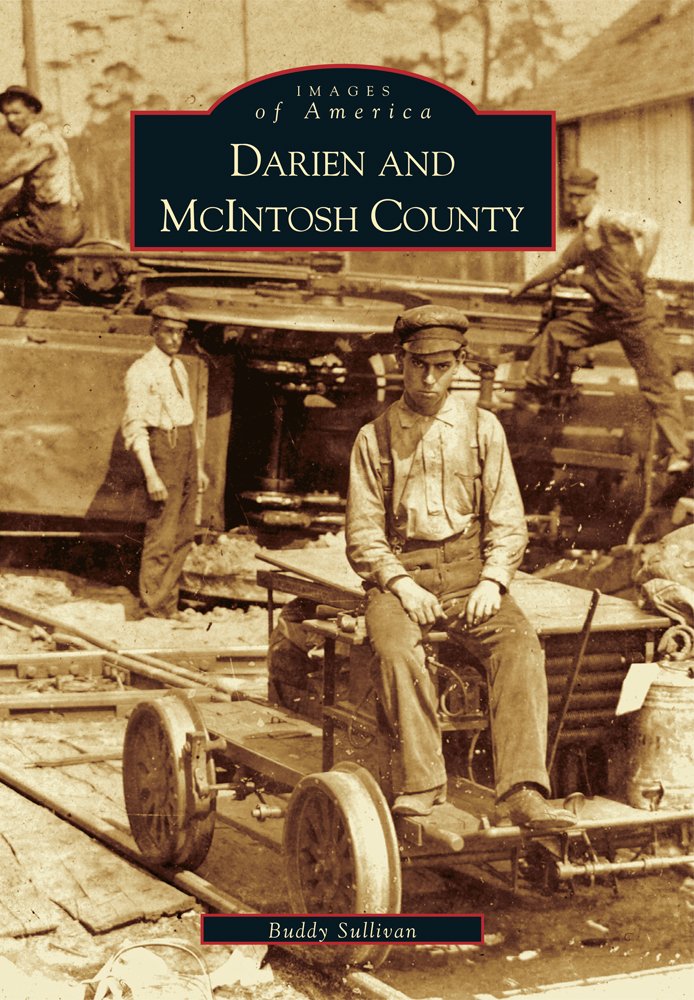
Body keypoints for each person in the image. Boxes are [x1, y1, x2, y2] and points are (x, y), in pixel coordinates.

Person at [345, 304, 576, 829]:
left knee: (520, 647)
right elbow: (362, 536)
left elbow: (508, 519)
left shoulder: (483, 428)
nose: (429, 379)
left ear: (460, 363)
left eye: (442, 367)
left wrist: (493, 581)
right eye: (418, 365)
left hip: (471, 573)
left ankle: (521, 790)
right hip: (402, 576)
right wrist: (403, 586)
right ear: (400, 360)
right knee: (396, 651)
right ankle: (423, 783)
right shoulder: (373, 438)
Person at [508, 167, 690, 475]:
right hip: (608, 315)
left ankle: (678, 453)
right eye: (571, 198)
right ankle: (534, 391)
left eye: (580, 197)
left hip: (638, 316)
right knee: (559, 331)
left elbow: (652, 228)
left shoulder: (609, 221)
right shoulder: (585, 238)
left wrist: (641, 271)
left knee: (656, 384)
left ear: (594, 195)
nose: (574, 203)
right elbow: (559, 265)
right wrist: (524, 286)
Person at [122, 305, 208, 619]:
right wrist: (151, 475)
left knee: (183, 534)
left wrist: (198, 467)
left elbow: (188, 419)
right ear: (154, 331)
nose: (175, 339)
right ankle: (152, 607)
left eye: (180, 333)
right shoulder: (141, 371)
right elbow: (135, 427)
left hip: (186, 450)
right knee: (162, 533)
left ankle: (167, 606)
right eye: (169, 331)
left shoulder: (179, 368)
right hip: (164, 451)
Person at [0, 84, 84, 251]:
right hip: (70, 223)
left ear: (32, 111)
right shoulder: (53, 139)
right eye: (6, 114)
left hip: (52, 227)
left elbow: (3, 175)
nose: (10, 119)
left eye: (16, 113)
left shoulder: (41, 143)